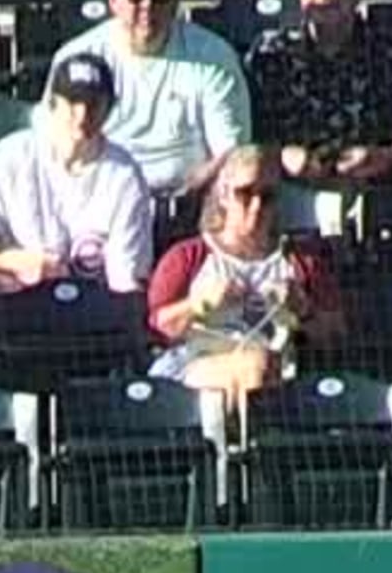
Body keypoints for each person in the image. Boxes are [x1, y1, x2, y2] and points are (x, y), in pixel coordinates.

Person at [0, 52, 154, 329]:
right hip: (18, 292)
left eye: (93, 103)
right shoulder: (10, 156)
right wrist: (16, 261)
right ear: (52, 103)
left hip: (92, 308)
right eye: (72, 102)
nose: (82, 115)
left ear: (109, 108)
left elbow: (125, 281)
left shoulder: (125, 176)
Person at [46, 0, 253, 200]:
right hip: (97, 200)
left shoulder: (213, 57)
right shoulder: (76, 59)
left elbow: (232, 154)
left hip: (188, 203)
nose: (147, 5)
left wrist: (185, 195)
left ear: (176, 0)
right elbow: (55, 148)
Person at [143, 144, 342, 395]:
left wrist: (302, 309)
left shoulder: (301, 262)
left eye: (267, 196)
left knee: (261, 364)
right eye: (245, 193)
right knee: (255, 364)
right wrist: (198, 305)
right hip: (194, 368)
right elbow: (156, 330)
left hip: (277, 374)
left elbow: (334, 334)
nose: (256, 206)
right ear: (224, 195)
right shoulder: (187, 257)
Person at [247, 0, 392, 187]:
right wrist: (281, 155)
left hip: (373, 187)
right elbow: (244, 139)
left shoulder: (390, 54)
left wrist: (383, 157)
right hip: (288, 190)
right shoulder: (270, 54)